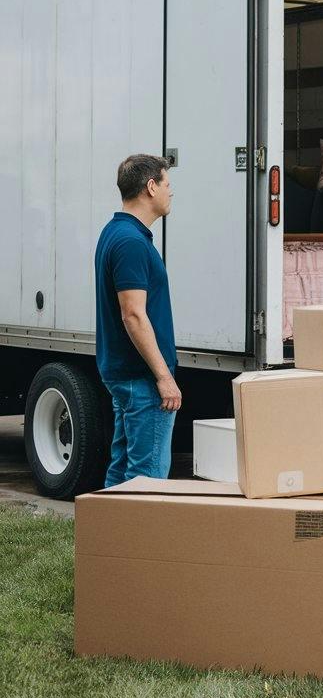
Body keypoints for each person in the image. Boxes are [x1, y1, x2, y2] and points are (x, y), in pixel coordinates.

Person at [95, 154, 181, 486]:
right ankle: (137, 539)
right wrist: (163, 376)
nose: (170, 192)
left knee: (121, 474)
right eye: (167, 184)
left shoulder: (116, 232)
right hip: (142, 379)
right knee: (146, 482)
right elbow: (133, 315)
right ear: (150, 187)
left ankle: (107, 539)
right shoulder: (130, 242)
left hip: (128, 374)